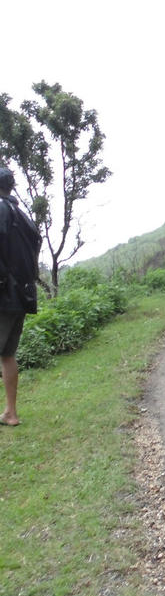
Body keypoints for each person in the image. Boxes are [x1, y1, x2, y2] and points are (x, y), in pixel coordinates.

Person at [0, 166, 41, 426]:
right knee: (7, 354)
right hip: (21, 294)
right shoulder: (21, 215)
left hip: (3, 295)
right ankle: (11, 413)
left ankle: (11, 413)